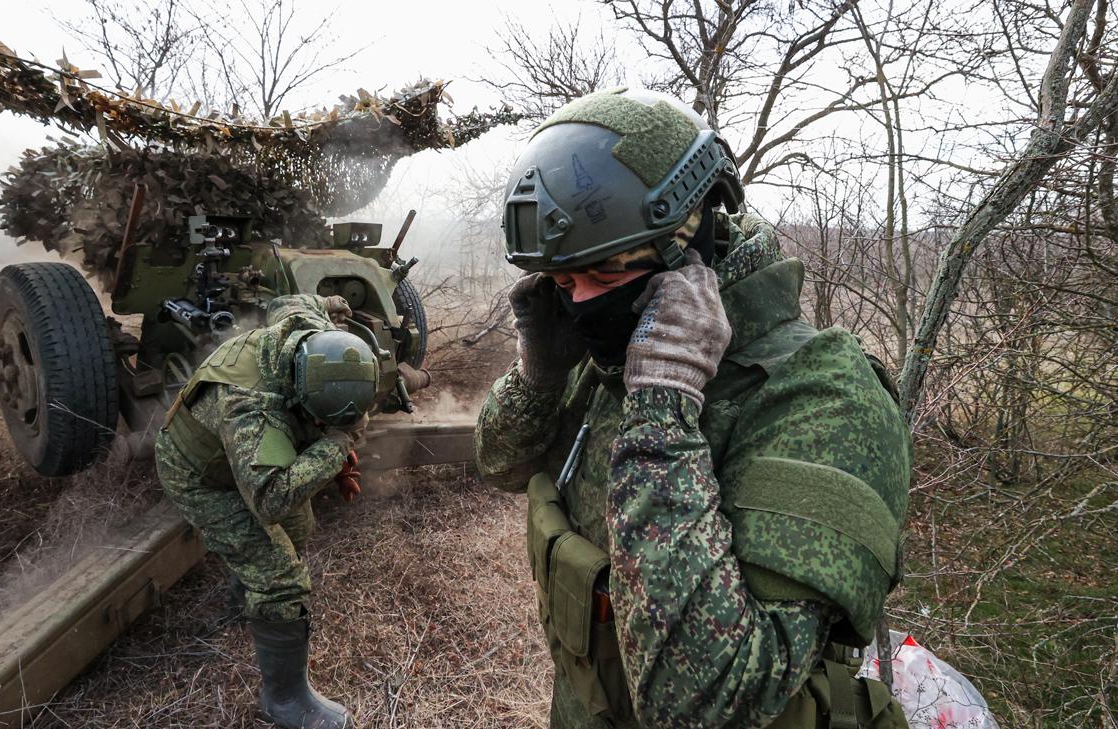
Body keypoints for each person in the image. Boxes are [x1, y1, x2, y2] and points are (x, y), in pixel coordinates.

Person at [475, 88, 912, 728]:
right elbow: (499, 466)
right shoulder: (613, 358)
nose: (583, 303)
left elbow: (708, 703)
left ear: (694, 242)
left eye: (607, 274)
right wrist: (539, 375)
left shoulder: (822, 398)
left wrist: (663, 408)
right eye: (567, 283)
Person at [156, 294, 374, 729]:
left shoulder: (307, 331)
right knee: (281, 577)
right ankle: (286, 700)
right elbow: (270, 498)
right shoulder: (250, 408)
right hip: (201, 476)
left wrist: (330, 301)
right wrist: (336, 445)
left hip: (240, 462)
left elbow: (293, 299)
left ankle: (245, 597)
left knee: (299, 524)